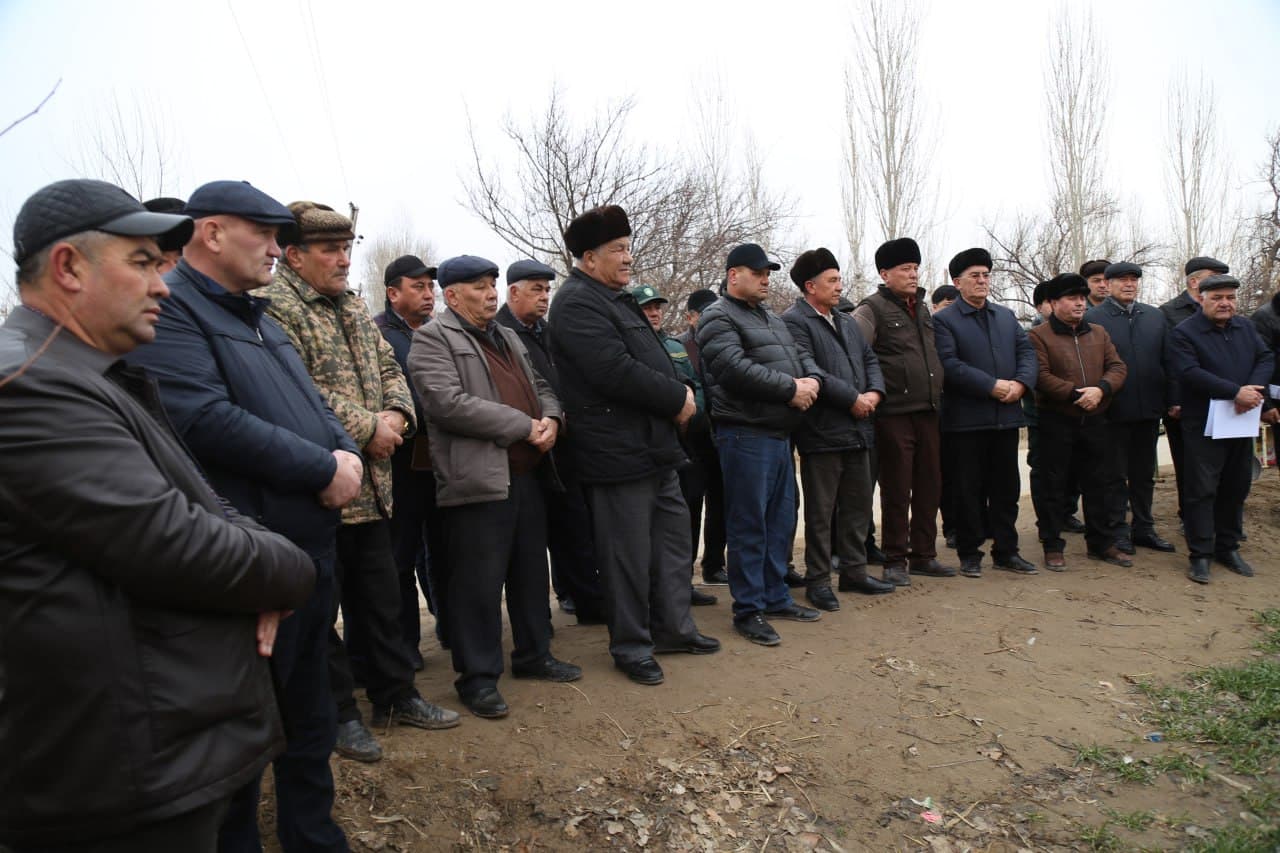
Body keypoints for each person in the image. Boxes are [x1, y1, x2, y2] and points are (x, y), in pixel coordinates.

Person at [0, 179, 316, 853]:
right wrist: (288, 570)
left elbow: (207, 505)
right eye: (142, 262)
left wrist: (252, 566)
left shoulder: (94, 376)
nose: (164, 287)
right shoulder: (30, 389)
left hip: (149, 748)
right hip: (114, 776)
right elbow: (177, 542)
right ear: (68, 267)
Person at [124, 180, 363, 852]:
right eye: (265, 233)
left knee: (310, 716)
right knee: (242, 730)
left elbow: (313, 405)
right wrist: (321, 469)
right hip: (247, 564)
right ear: (212, 232)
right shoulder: (175, 312)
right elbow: (201, 418)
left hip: (308, 558)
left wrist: (344, 453)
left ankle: (312, 835)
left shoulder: (259, 316)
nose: (278, 248)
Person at [263, 201, 457, 763]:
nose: (344, 259)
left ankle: (396, 696)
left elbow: (392, 367)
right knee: (321, 613)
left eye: (347, 248)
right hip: (317, 488)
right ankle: (340, 715)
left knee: (381, 601)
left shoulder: (351, 304)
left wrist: (396, 417)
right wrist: (369, 427)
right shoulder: (275, 310)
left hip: (374, 487)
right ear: (294, 255)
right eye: (330, 249)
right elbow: (295, 392)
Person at [548, 205, 720, 686]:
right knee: (625, 556)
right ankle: (631, 645)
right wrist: (677, 398)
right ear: (587, 257)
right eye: (618, 250)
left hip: (654, 447)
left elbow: (646, 358)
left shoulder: (615, 298)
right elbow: (612, 370)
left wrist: (677, 397)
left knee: (671, 544)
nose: (628, 258)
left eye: (628, 247)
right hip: (615, 451)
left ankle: (673, 628)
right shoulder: (576, 303)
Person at [408, 255, 582, 718]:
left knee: (529, 573)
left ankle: (534, 654)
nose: (490, 293)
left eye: (491, 284)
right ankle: (478, 679)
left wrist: (551, 419)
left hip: (527, 475)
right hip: (478, 479)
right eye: (479, 286)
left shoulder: (507, 335)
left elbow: (542, 383)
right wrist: (522, 425)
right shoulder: (431, 339)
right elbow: (447, 404)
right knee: (477, 586)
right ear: (452, 295)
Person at [697, 242, 824, 645]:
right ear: (734, 275)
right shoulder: (717, 317)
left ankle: (774, 596)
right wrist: (790, 389)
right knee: (749, 525)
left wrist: (812, 381)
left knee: (779, 523)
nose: (766, 278)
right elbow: (733, 369)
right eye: (758, 272)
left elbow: (799, 355)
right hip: (745, 434)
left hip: (778, 435)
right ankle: (748, 609)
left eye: (768, 272)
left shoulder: (769, 317)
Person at [781, 248, 894, 610]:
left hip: (860, 428)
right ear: (810, 286)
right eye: (832, 280)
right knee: (821, 511)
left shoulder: (845, 319)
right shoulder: (794, 321)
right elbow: (808, 367)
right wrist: (852, 399)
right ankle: (818, 580)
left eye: (839, 279)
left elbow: (869, 359)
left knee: (858, 505)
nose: (838, 286)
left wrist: (874, 392)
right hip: (823, 431)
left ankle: (855, 572)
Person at [496, 258, 606, 624]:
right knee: (527, 544)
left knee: (574, 528)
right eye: (536, 290)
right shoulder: (498, 333)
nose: (544, 298)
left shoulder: (549, 331)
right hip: (521, 451)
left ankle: (588, 603)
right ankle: (535, 623)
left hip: (564, 445)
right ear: (513, 293)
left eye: (547, 290)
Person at [852, 238, 954, 585]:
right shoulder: (871, 309)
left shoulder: (923, 308)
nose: (912, 275)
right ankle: (895, 559)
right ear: (885, 273)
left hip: (928, 411)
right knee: (897, 489)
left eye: (915, 268)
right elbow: (855, 353)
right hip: (893, 413)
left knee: (930, 485)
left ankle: (924, 554)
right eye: (904, 269)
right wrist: (870, 393)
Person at [932, 248, 1040, 578]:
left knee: (1006, 489)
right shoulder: (943, 321)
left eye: (986, 275)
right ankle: (969, 553)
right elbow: (949, 365)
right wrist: (991, 385)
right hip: (965, 422)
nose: (982, 281)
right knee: (967, 491)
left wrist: (1021, 383)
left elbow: (1026, 353)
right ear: (957, 282)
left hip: (1006, 418)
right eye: (974, 276)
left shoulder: (1005, 317)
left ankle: (1007, 551)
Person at [1168, 274, 1276, 583]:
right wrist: (1234, 392)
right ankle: (1200, 553)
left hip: (1241, 419)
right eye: (1217, 297)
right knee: (1201, 489)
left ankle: (1227, 547)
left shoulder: (1245, 327)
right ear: (1201, 298)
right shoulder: (1184, 333)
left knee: (1236, 484)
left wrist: (1252, 391)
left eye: (1230, 297)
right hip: (1203, 421)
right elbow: (1188, 372)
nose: (1225, 303)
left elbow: (1265, 356)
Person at [1028, 273, 1129, 570]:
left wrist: (1101, 390)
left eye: (1082, 298)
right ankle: (1052, 545)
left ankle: (1101, 543)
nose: (1079, 303)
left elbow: (1118, 366)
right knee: (1053, 485)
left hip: (1096, 418)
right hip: (1056, 420)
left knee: (1100, 483)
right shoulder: (1039, 336)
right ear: (1054, 302)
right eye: (1072, 298)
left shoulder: (1098, 333)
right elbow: (1041, 376)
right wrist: (1075, 394)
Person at [374, 253, 441, 669]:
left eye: (430, 286)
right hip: (398, 465)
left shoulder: (435, 334)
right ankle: (404, 645)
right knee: (399, 556)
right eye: (418, 287)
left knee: (441, 550)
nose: (428, 293)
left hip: (439, 462)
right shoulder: (379, 335)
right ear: (392, 293)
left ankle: (447, 628)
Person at [632, 283, 719, 607]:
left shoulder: (674, 346)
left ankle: (683, 582)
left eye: (657, 307)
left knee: (688, 514)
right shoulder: (631, 345)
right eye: (646, 308)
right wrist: (673, 410)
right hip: (652, 445)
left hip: (687, 443)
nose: (654, 313)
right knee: (653, 523)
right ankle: (655, 589)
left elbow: (695, 385)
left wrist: (689, 410)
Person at [1084, 262, 1177, 555]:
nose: (1128, 284)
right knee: (1113, 475)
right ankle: (1117, 530)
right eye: (1121, 280)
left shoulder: (1154, 316)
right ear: (1107, 285)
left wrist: (1172, 399)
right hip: (1112, 411)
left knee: (1143, 474)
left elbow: (1169, 361)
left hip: (1148, 408)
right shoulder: (1094, 319)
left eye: (1133, 280)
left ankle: (1144, 528)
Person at [1161, 256, 1230, 524]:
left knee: (1224, 463)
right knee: (1189, 465)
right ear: (1194, 281)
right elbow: (1169, 361)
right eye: (1213, 278)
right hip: (1186, 403)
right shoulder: (1169, 312)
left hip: (1223, 400)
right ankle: (1191, 516)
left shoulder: (1226, 312)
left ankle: (1220, 517)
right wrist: (1174, 399)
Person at [677, 287, 729, 585]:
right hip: (694, 441)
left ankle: (714, 564)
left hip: (720, 436)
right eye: (704, 314)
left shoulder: (722, 341)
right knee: (692, 505)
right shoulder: (681, 348)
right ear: (690, 317)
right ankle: (685, 573)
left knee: (720, 503)